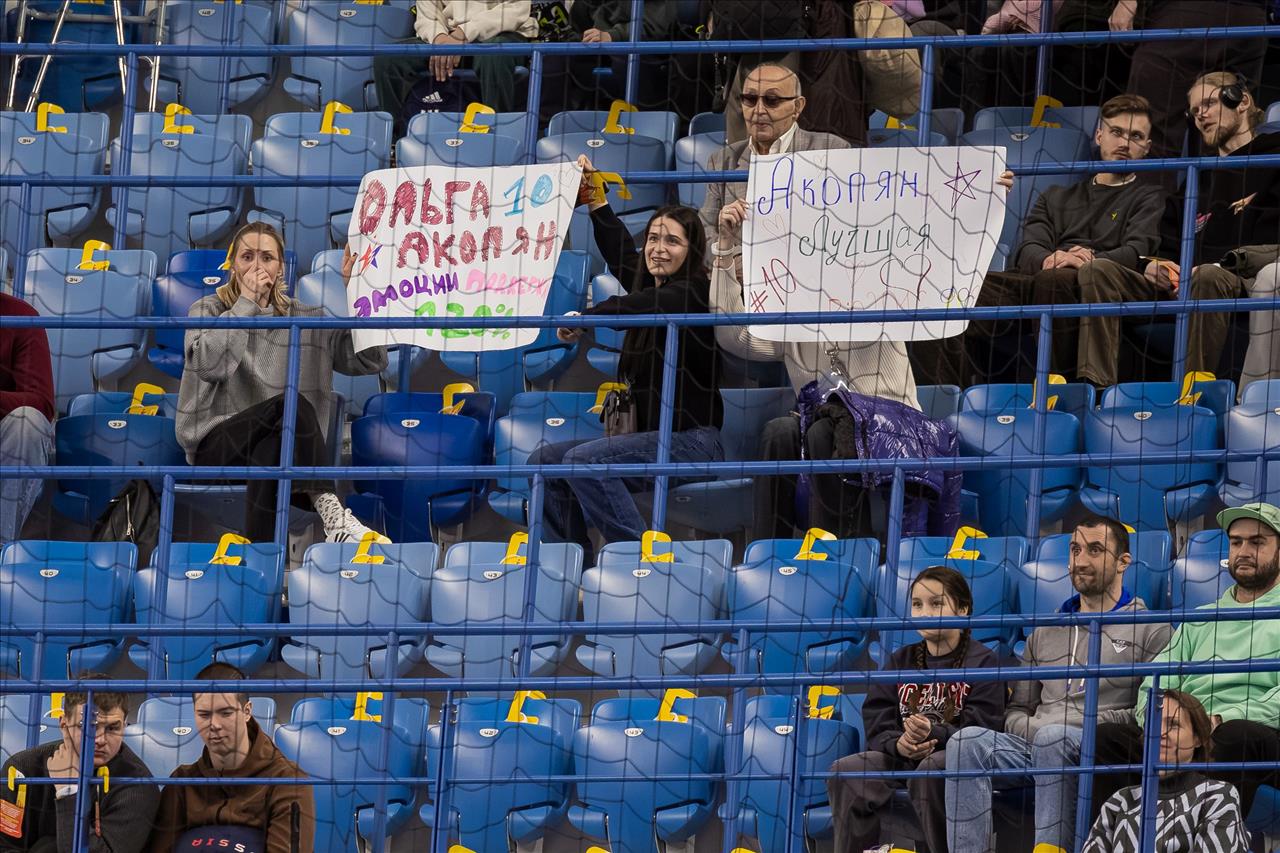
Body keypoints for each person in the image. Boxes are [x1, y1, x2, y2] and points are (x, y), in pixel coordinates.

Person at [529, 157, 723, 565]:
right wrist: (596, 202)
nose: (658, 249)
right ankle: (575, 568)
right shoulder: (652, 282)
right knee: (544, 462)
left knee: (585, 461)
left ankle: (638, 563)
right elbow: (622, 253)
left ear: (691, 251)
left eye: (672, 241)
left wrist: (584, 318)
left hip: (692, 444)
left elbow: (640, 304)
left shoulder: (693, 291)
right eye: (653, 238)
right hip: (649, 440)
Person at [946, 515, 1172, 853]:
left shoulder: (1152, 629)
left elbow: (1146, 713)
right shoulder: (1044, 632)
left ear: (1123, 562)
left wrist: (1075, 725)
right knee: (965, 742)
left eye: (1095, 550)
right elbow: (1018, 709)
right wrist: (1036, 731)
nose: (1080, 560)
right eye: (1075, 549)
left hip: (1096, 750)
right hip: (1036, 746)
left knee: (1055, 737)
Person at [914, 94, 1165, 388]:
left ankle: (1060, 392)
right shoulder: (1057, 194)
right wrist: (1051, 258)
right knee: (943, 290)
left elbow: (1136, 252)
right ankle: (947, 396)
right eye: (1116, 132)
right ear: (1099, 135)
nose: (1124, 143)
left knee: (1054, 280)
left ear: (1147, 147)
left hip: (1093, 287)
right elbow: (1028, 248)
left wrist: (1086, 261)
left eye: (1135, 136)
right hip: (1039, 279)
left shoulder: (1149, 197)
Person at [711, 198, 920, 540]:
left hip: (892, 424)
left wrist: (987, 197)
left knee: (824, 432)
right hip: (825, 425)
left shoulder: (879, 294)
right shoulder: (792, 320)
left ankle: (842, 552)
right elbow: (733, 337)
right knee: (779, 431)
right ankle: (771, 553)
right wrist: (724, 248)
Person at [176, 223, 388, 544]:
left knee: (270, 450)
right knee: (290, 403)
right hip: (218, 448)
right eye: (247, 257)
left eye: (266, 257)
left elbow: (371, 360)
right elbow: (210, 366)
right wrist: (246, 302)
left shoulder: (309, 318)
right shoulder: (208, 309)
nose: (256, 266)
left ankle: (262, 559)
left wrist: (359, 292)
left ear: (280, 269)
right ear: (233, 265)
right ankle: (331, 511)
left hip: (283, 452)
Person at [1074, 71, 1280, 387]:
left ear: (1241, 101)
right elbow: (1168, 242)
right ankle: (1095, 388)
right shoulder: (1197, 174)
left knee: (1207, 277)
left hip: (1242, 275)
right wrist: (1154, 265)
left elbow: (1271, 244)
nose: (1201, 115)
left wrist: (1215, 266)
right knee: (1098, 270)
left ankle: (1195, 391)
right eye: (1194, 111)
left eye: (1209, 103)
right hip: (1184, 281)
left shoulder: (1274, 155)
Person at [1091, 502, 1280, 823]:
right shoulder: (1201, 618)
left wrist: (1217, 719)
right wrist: (1163, 722)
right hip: (1190, 733)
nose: (1244, 551)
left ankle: (1195, 838)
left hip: (1253, 735)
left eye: (1257, 542)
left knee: (1234, 735)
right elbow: (1157, 678)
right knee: (1106, 737)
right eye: (1236, 542)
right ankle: (1120, 838)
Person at [827, 566, 1005, 853]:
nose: (925, 613)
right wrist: (899, 744)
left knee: (931, 770)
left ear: (962, 609)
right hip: (902, 758)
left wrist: (934, 733)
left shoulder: (984, 662)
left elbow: (982, 729)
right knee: (847, 771)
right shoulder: (901, 660)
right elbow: (877, 717)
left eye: (936, 604)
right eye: (917, 604)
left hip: (954, 759)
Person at [147, 663, 314, 853]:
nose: (214, 725)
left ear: (247, 711)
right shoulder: (182, 783)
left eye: (226, 713)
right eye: (204, 714)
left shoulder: (288, 782)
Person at [699, 62, 850, 253]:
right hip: (739, 271)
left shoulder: (832, 151)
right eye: (750, 99)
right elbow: (703, 236)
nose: (759, 110)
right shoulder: (721, 161)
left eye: (772, 100)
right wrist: (729, 253)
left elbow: (846, 228)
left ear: (797, 107)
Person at [0, 675, 159, 852]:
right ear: (64, 724)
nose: (100, 739)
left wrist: (67, 792)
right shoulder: (21, 768)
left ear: (124, 725)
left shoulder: (139, 785)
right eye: (88, 726)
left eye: (113, 728)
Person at [1081, 690, 1248, 853]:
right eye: (1153, 725)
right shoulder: (1120, 800)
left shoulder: (1218, 796)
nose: (1160, 733)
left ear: (1198, 738)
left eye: (1173, 724)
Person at [1110, 0, 1266, 168]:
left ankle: (1151, 185)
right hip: (1252, 20)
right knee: (1225, 128)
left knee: (1153, 131)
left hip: (1189, 14)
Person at [373, 0, 537, 132]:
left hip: (501, 34)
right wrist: (440, 39)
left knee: (493, 56)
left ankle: (498, 135)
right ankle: (395, 141)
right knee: (388, 59)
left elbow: (515, 10)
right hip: (447, 37)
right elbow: (427, 16)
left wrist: (463, 33)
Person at [0, 292, 54, 542]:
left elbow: (41, 402)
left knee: (28, 422)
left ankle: (1, 545)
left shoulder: (20, 315)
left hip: (5, 443)